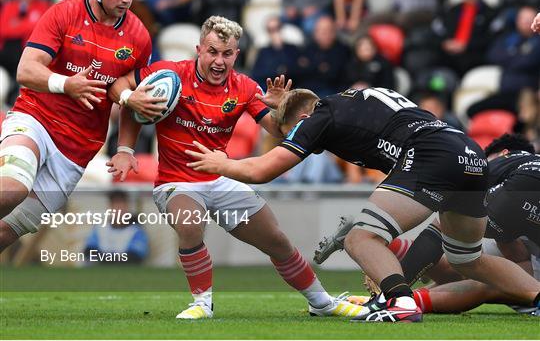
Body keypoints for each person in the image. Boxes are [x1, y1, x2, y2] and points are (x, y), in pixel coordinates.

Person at [186, 87, 540, 322]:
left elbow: (264, 170)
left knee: (361, 238)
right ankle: (536, 295)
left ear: (302, 120)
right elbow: (319, 109)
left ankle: (399, 302)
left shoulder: (318, 118)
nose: (296, 139)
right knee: (469, 257)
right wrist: (288, 104)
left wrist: (222, 165)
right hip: (469, 153)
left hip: (430, 153)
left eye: (292, 131)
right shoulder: (346, 100)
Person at [106, 16, 364, 320]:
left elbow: (279, 132)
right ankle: (203, 303)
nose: (219, 61)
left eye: (227, 54)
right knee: (190, 223)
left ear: (236, 55)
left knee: (277, 240)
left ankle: (321, 302)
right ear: (199, 49)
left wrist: (281, 109)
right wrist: (124, 149)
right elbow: (125, 90)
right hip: (176, 183)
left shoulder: (244, 87)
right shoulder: (170, 73)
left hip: (221, 179)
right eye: (213, 52)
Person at [0, 0, 163, 253]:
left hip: (76, 150)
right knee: (13, 189)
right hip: (35, 119)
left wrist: (125, 148)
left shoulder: (139, 35)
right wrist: (66, 84)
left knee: (6, 232)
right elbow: (26, 70)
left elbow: (132, 99)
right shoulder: (65, 12)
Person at [374, 134, 540, 315]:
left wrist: (395, 285)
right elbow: (516, 256)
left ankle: (395, 295)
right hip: (522, 205)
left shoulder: (492, 167)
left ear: (503, 153)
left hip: (519, 193)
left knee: (487, 278)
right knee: (473, 267)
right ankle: (401, 290)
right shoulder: (522, 165)